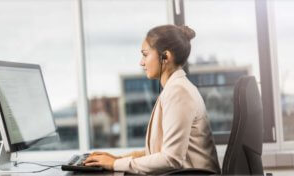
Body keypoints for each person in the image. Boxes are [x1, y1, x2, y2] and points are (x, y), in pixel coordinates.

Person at [83, 25, 221, 174]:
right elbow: (158, 151)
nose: (141, 63)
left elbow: (170, 159)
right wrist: (117, 158)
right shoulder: (175, 89)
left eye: (145, 54)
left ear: (165, 57)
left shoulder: (179, 92)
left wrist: (116, 163)